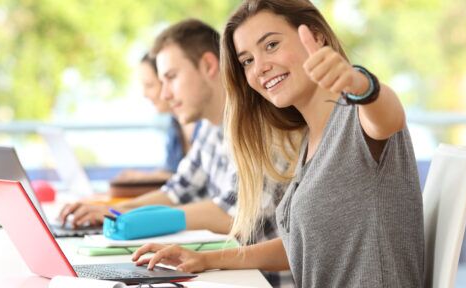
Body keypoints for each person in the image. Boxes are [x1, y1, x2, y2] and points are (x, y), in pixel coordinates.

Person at [131, 1, 424, 287]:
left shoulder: (356, 117)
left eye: (271, 45)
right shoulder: (308, 140)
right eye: (247, 61)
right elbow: (298, 247)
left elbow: (390, 116)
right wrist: (206, 259)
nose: (260, 67)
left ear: (316, 35)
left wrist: (359, 83)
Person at [59, 19, 294, 287]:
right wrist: (116, 211)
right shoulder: (208, 127)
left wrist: (133, 218)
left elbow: (233, 216)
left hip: (264, 281)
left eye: (171, 77)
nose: (165, 94)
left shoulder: (261, 126)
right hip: (234, 275)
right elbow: (177, 189)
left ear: (208, 65)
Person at [112, 53, 200, 184]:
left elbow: (199, 180)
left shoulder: (208, 123)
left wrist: (144, 178)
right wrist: (143, 177)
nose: (144, 94)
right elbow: (174, 173)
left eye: (149, 85)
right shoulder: (175, 124)